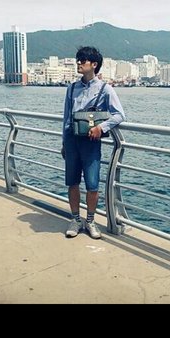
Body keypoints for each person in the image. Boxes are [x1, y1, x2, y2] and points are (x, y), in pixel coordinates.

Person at [61, 46, 125, 239]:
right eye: (78, 60)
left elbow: (119, 115)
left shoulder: (106, 89)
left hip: (91, 141)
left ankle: (90, 221)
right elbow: (66, 118)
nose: (78, 63)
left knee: (92, 184)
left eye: (82, 60)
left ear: (94, 64)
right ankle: (75, 219)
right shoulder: (72, 88)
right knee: (72, 182)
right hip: (72, 140)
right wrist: (64, 142)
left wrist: (101, 128)